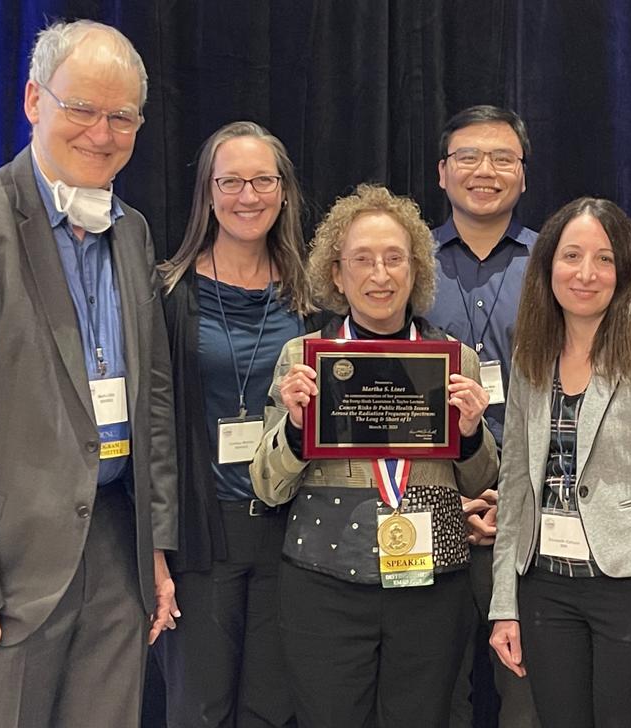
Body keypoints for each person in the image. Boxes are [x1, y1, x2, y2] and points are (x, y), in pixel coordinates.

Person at [250, 183, 499, 727]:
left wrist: (473, 431)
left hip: (431, 583)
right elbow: (267, 486)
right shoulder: (303, 360)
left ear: (417, 271)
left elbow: (483, 480)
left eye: (394, 259)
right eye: (362, 260)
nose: (380, 275)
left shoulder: (455, 361)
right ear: (336, 274)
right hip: (323, 582)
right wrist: (295, 428)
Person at [0, 19, 177, 727]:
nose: (103, 134)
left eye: (122, 116)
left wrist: (155, 549)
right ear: (34, 101)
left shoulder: (131, 230)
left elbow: (151, 399)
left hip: (116, 548)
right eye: (82, 109)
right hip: (16, 562)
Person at [489, 197, 631, 727]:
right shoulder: (531, 353)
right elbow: (517, 484)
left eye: (604, 259)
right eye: (571, 256)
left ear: (624, 270)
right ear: (547, 265)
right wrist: (505, 603)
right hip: (546, 587)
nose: (586, 273)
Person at [156, 121, 325, 726]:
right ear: (207, 191)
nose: (247, 196)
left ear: (284, 192)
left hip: (292, 530)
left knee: (273, 708)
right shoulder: (169, 296)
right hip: (204, 534)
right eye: (231, 181)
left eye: (262, 180)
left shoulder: (314, 300)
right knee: (199, 706)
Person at [427, 104, 540, 728]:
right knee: (436, 695)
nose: (485, 171)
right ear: (442, 173)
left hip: (530, 512)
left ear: (522, 176)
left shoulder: (555, 263)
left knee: (528, 695)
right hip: (431, 502)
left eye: (502, 159)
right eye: (468, 157)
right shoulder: (407, 261)